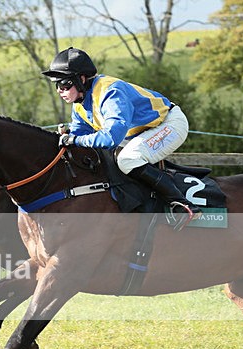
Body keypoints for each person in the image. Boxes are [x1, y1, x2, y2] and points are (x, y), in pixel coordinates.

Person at [41, 47, 201, 230]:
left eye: (64, 85)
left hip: (168, 124)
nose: (60, 91)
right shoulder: (80, 103)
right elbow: (79, 135)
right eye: (57, 86)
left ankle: (183, 205)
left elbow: (111, 138)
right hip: (141, 132)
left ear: (81, 79)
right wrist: (67, 138)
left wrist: (74, 140)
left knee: (128, 159)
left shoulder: (111, 92)